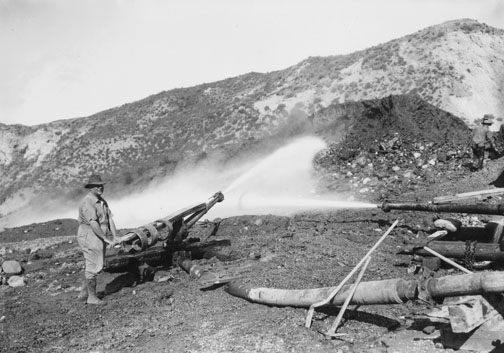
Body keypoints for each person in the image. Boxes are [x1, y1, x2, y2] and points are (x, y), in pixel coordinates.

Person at [76, 174, 120, 305]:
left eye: (101, 185)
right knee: (93, 265)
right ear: (90, 188)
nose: (100, 188)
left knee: (97, 264)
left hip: (99, 235)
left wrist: (115, 235)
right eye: (96, 186)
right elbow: (94, 224)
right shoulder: (87, 202)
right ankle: (92, 297)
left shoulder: (102, 201)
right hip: (90, 235)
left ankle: (85, 293)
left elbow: (109, 219)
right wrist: (106, 239)